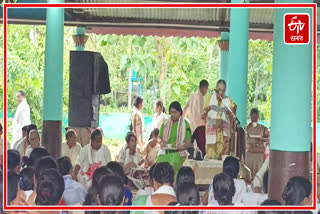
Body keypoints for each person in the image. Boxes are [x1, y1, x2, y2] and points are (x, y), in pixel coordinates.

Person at [202, 80, 237, 160]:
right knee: (211, 157)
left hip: (224, 135)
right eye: (219, 90)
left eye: (223, 91)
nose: (221, 93)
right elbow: (202, 116)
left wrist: (229, 113)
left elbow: (234, 118)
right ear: (215, 89)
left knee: (224, 158)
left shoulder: (228, 101)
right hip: (212, 133)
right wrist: (207, 110)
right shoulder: (210, 98)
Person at [157, 101, 192, 177]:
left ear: (180, 112)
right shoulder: (165, 124)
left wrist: (181, 147)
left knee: (173, 161)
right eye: (171, 112)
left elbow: (188, 142)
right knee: (159, 159)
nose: (172, 114)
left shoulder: (185, 124)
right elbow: (159, 138)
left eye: (175, 112)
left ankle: (172, 183)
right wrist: (161, 142)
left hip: (179, 152)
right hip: (166, 151)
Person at [183, 80, 209, 156]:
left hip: (192, 126)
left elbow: (184, 110)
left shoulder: (192, 95)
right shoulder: (200, 96)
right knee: (199, 151)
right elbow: (202, 113)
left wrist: (183, 122)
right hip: (200, 128)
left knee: (192, 149)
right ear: (205, 88)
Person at [246, 108, 270, 177]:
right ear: (250, 117)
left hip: (259, 153)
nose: (254, 119)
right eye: (252, 117)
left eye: (255, 117)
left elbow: (268, 138)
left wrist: (262, 139)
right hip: (249, 153)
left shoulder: (263, 128)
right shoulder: (247, 128)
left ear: (258, 117)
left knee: (259, 174)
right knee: (249, 172)